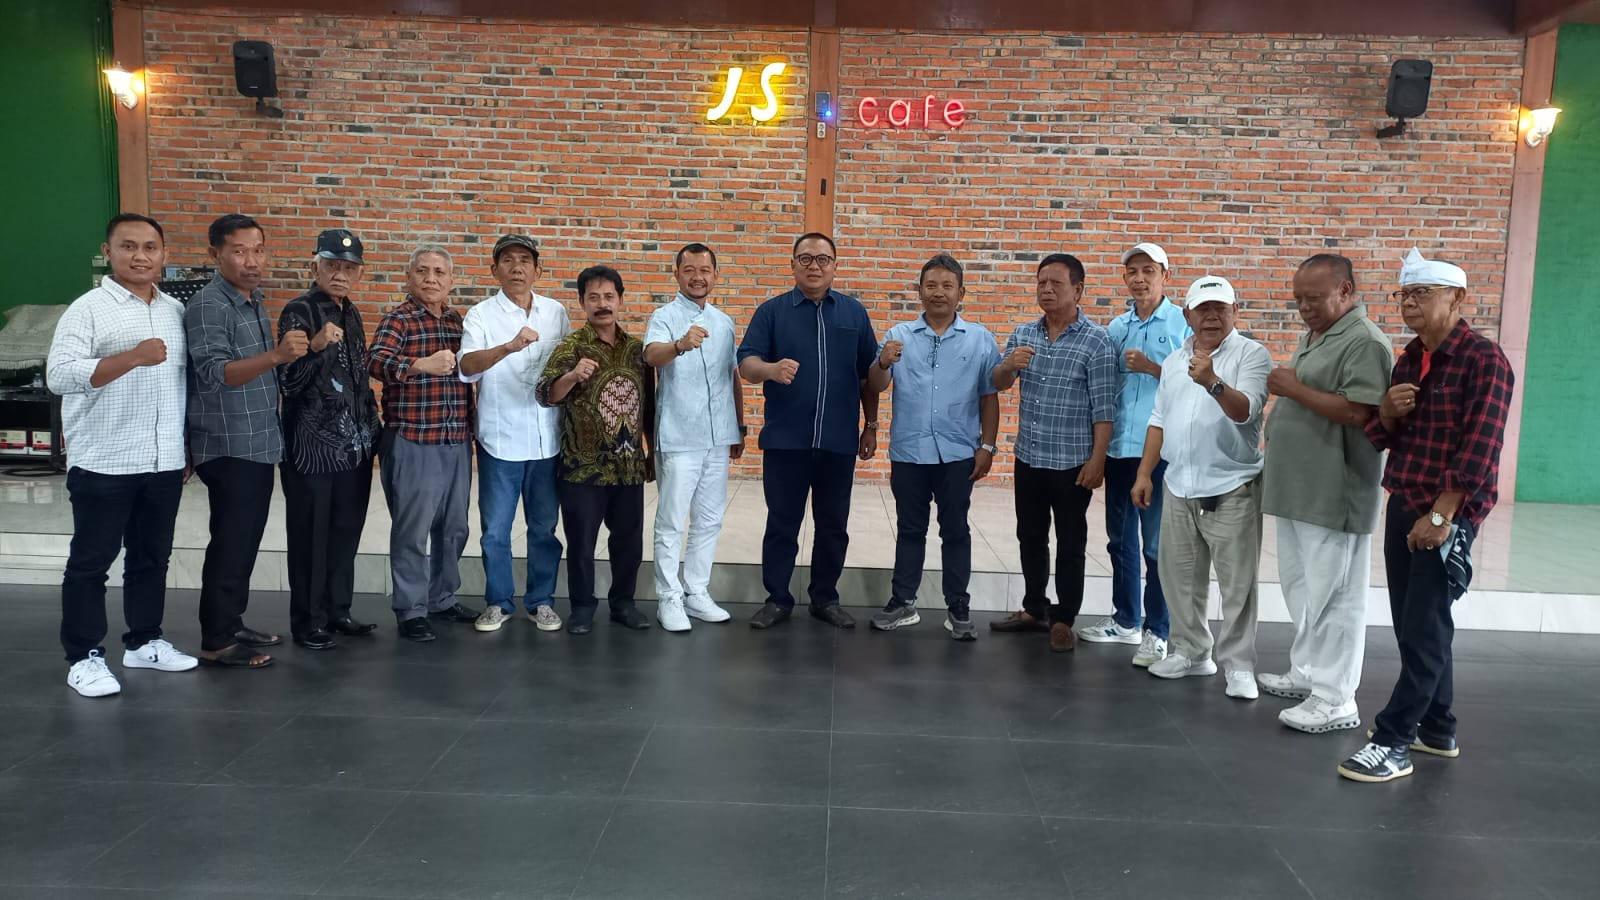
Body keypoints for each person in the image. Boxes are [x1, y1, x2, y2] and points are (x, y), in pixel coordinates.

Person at [1337, 249, 1514, 784]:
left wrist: (1441, 516)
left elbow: (1481, 448)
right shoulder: (1410, 359)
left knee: (1426, 624)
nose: (1409, 303)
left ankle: (1394, 740)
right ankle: (1437, 729)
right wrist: (1388, 414)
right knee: (1414, 624)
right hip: (1405, 501)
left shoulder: (1485, 360)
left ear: (1457, 298)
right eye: (1405, 294)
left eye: (1422, 293)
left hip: (1446, 512)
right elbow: (1384, 437)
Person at [47, 213, 197, 696]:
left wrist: (184, 445)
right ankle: (83, 656)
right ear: (108, 252)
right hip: (104, 461)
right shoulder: (87, 309)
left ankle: (144, 641)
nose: (140, 256)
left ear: (164, 255)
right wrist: (131, 357)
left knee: (152, 558)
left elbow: (181, 385)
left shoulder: (174, 311)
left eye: (150, 247)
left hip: (162, 460)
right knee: (91, 562)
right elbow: (59, 376)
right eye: (128, 246)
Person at [1259, 254, 1393, 734]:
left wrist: (1292, 388)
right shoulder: (1319, 333)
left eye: (1313, 298)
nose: (1304, 308)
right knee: (1302, 587)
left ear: (1346, 291)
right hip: (1299, 487)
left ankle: (1336, 699)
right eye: (1298, 299)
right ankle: (1309, 672)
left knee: (1336, 596)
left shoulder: (1364, 342)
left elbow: (1360, 413)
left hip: (1335, 490)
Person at [1132, 275, 1271, 699]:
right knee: (1179, 578)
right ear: (1187, 314)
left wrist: (1212, 381)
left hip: (1232, 486)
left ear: (1235, 311)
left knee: (1237, 585)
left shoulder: (1252, 355)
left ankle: (1240, 665)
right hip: (1178, 485)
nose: (1211, 316)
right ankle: (1191, 652)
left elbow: (1247, 412)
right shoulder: (1176, 360)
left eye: (1220, 308)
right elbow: (1159, 419)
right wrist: (1144, 473)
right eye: (1202, 309)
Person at [737, 233, 881, 630]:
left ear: (835, 265)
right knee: (782, 524)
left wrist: (870, 426)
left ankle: (825, 598)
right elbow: (746, 363)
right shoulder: (772, 312)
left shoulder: (853, 313)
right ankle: (777, 599)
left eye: (822, 259)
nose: (814, 266)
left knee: (833, 525)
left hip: (838, 441)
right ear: (793, 265)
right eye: (805, 259)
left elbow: (868, 376)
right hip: (786, 441)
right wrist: (770, 369)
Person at [186, 214, 305, 669]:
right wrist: (276, 355)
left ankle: (231, 622)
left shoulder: (251, 300)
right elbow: (214, 373)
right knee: (231, 542)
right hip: (228, 442)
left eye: (258, 250)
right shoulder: (209, 305)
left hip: (256, 441)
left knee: (245, 540)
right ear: (215, 254)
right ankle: (216, 640)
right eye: (239, 251)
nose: (252, 261)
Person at [867, 253, 1000, 641]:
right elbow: (876, 385)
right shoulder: (899, 334)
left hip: (958, 453)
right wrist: (882, 362)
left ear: (961, 293)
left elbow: (989, 396)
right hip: (910, 451)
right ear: (919, 291)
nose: (938, 292)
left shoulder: (980, 339)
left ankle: (957, 606)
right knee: (910, 529)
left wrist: (988, 446)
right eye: (931, 285)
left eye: (947, 286)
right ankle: (903, 602)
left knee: (956, 530)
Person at [990, 253, 1117, 653]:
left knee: (1070, 541)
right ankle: (1034, 608)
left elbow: (1104, 408)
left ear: (1077, 290)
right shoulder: (1023, 334)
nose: (1046, 289)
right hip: (1029, 456)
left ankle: (1064, 618)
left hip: (1072, 461)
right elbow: (999, 383)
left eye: (1056, 283)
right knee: (1029, 535)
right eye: (1041, 282)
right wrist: (1008, 365)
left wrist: (1098, 459)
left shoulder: (1096, 340)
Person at [1075, 242, 1189, 668]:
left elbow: (1196, 382)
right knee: (1120, 539)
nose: (1139, 279)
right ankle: (1126, 621)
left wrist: (1154, 368)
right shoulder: (1116, 326)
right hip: (1121, 447)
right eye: (1132, 272)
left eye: (1148, 271)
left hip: (1161, 451)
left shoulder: (1182, 323)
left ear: (1165, 276)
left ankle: (1158, 631)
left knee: (1156, 544)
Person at [457, 234, 570, 634]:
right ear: (494, 270)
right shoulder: (481, 315)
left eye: (525, 260)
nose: (517, 267)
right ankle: (498, 602)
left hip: (546, 440)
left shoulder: (555, 312)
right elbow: (467, 366)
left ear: (538, 269)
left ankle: (541, 601)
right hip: (500, 439)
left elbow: (565, 363)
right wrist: (507, 347)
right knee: (495, 531)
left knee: (544, 529)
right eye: (508, 260)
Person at [276, 228, 382, 651]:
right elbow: (288, 381)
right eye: (332, 265)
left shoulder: (351, 312)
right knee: (310, 538)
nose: (341, 274)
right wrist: (317, 346)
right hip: (313, 450)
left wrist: (372, 430)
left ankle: (338, 610)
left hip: (353, 448)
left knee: (344, 532)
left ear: (359, 274)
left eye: (349, 268)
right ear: (314, 266)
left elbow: (358, 378)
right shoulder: (298, 311)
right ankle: (308, 622)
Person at [536, 265, 656, 634]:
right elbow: (545, 394)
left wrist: (651, 453)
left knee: (629, 542)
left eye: (608, 296)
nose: (602, 304)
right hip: (582, 467)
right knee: (582, 544)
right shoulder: (571, 346)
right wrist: (572, 376)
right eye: (593, 297)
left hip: (628, 467)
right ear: (582, 302)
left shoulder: (638, 350)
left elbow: (649, 405)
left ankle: (623, 603)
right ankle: (582, 608)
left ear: (620, 300)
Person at [368, 245, 478, 642]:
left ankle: (442, 598)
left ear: (452, 280)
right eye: (422, 271)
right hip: (413, 438)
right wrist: (418, 365)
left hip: (456, 438)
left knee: (454, 527)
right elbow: (374, 361)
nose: (431, 279)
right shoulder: (399, 319)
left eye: (439, 272)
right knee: (413, 530)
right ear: (409, 276)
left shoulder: (457, 321)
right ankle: (411, 609)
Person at [644, 243, 744, 632]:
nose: (697, 277)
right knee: (671, 520)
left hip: (718, 436)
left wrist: (738, 426)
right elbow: (652, 356)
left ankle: (696, 591)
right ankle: (668, 597)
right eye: (689, 270)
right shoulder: (664, 316)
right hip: (679, 435)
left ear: (715, 275)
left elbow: (732, 375)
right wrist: (679, 345)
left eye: (704, 270)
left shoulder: (724, 322)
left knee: (709, 518)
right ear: (677, 274)